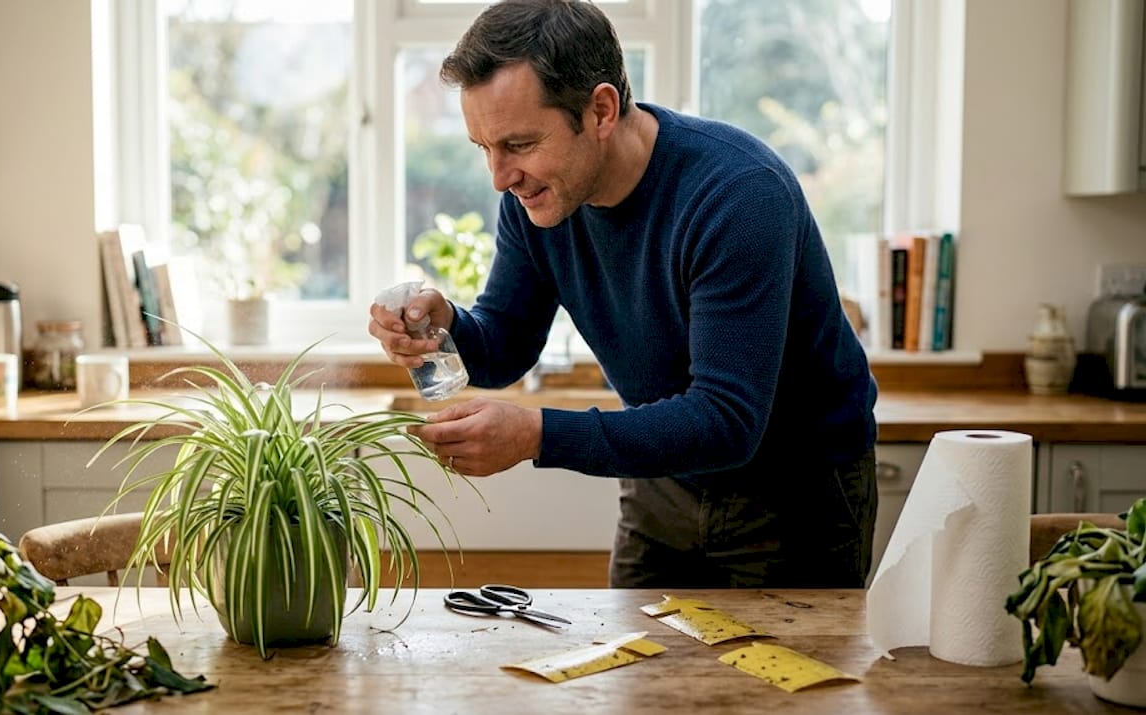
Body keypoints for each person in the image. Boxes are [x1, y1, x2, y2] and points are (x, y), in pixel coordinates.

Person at [367, 0, 878, 589]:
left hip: (796, 492)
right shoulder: (536, 200)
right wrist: (447, 327)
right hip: (663, 480)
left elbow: (728, 420)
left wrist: (536, 434)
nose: (499, 177)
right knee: (640, 674)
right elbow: (506, 343)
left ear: (601, 110)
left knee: (784, 680)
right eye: (484, 147)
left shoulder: (737, 196)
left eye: (520, 144)